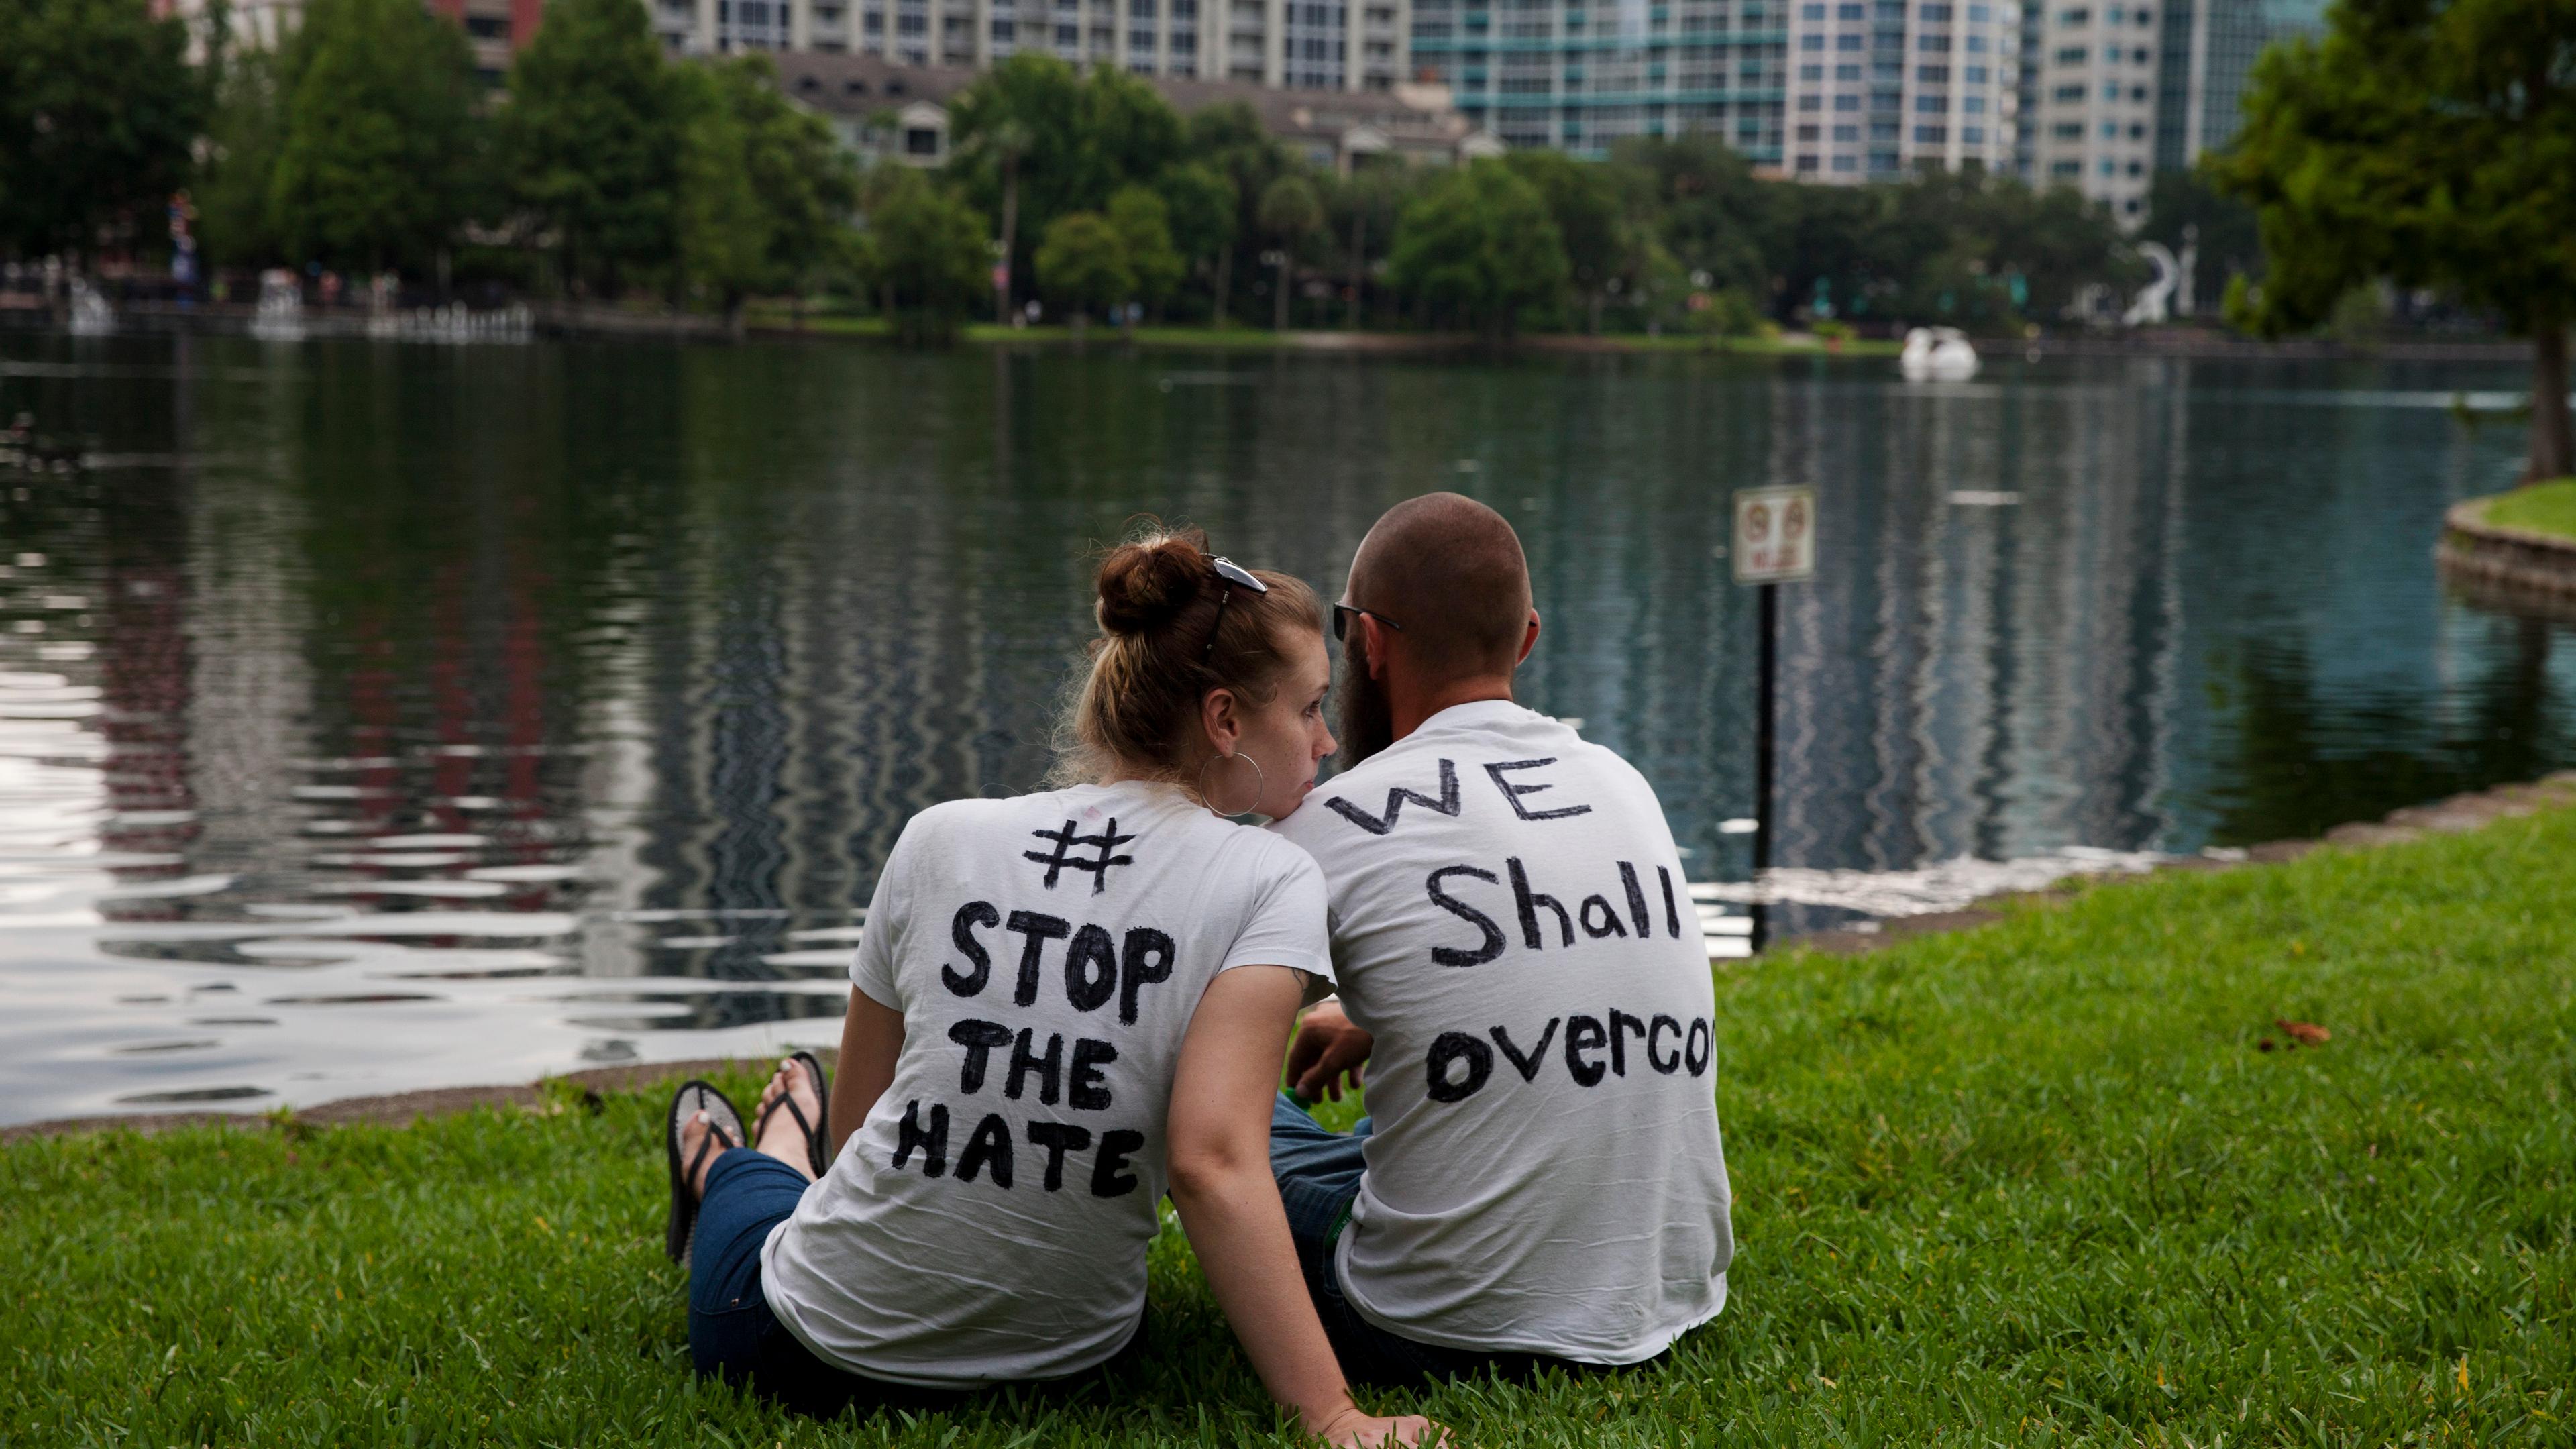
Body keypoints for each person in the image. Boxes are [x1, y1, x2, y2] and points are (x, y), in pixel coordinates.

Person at [661, 527, 1436, 1445]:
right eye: (1309, 709)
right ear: (1226, 720)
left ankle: (754, 1152)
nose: (1330, 738)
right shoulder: (1270, 880)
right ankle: (733, 1162)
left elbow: (861, 1127)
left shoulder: (937, 835)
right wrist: (1333, 1415)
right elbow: (1213, 1158)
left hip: (802, 1342)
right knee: (764, 1188)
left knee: (795, 1195)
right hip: (1072, 1356)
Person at [1267, 492, 1736, 1384]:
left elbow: (1174, 1037)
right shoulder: (1621, 783)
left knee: (1225, 1101)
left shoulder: (1332, 825)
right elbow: (1540, 957)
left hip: (1425, 1327)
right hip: (1663, 1299)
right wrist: (1377, 1016)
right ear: (1526, 639)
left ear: (1369, 643)